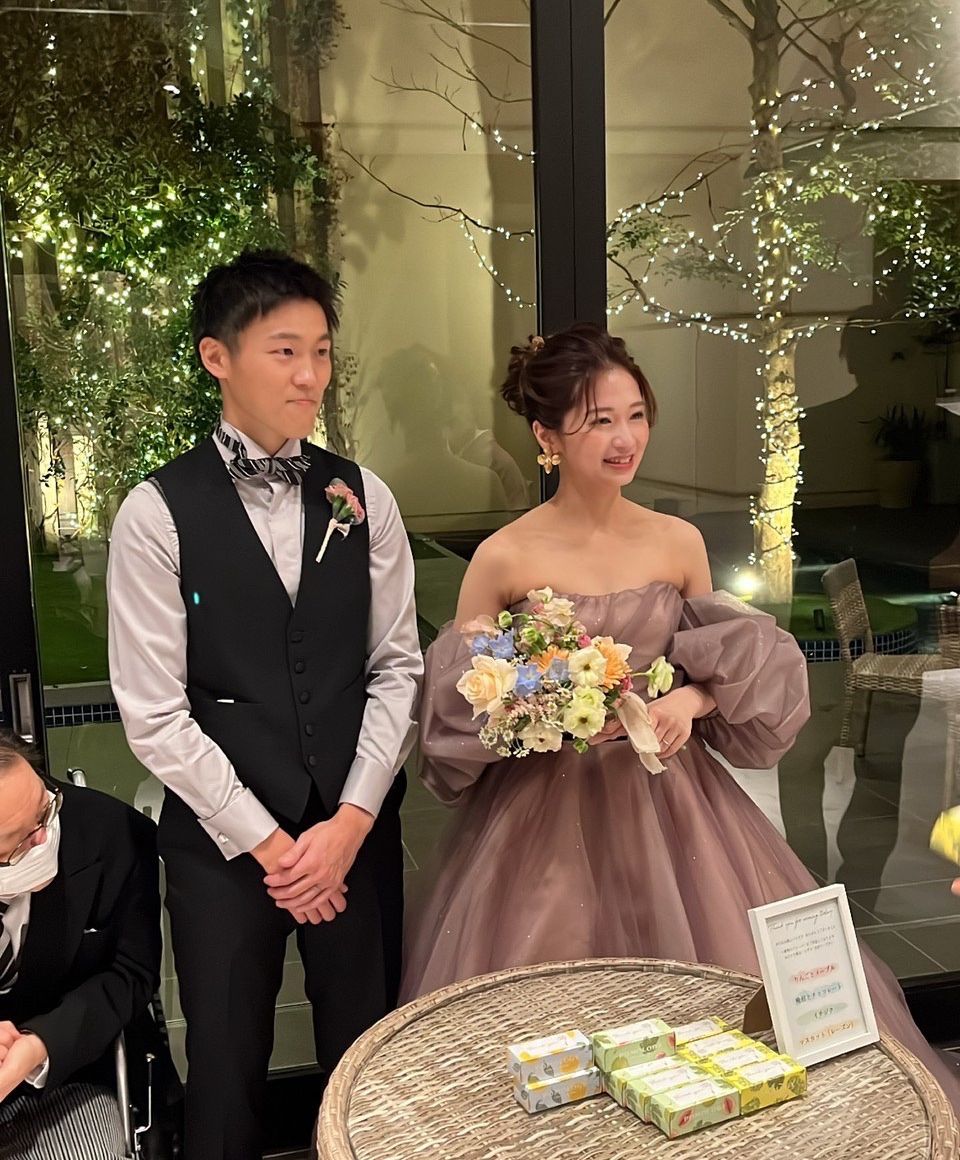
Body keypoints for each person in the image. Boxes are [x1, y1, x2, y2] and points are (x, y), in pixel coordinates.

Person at [401, 322, 960, 1112]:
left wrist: (689, 702)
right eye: (600, 420)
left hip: (671, 796)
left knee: (714, 1012)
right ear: (546, 436)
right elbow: (461, 697)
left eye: (636, 415)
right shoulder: (505, 556)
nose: (625, 438)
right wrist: (538, 705)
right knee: (542, 1012)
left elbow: (727, 661)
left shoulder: (676, 542)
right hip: (540, 812)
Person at [107, 250, 422, 1160]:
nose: (309, 375)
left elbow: (396, 668)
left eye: (321, 352)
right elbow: (154, 713)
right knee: (225, 1069)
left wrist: (351, 823)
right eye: (285, 351)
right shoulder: (156, 512)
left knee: (368, 1060)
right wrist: (276, 849)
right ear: (217, 357)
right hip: (222, 848)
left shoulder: (363, 496)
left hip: (354, 836)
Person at [0, 732, 161, 1159]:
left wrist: (40, 1044)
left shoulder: (111, 833)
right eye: (19, 840)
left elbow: (131, 973)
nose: (43, 837)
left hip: (67, 1078)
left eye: (44, 809)